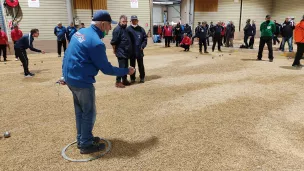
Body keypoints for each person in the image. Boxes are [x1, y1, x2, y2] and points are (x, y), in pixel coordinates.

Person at [60, 10, 135, 154]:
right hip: (82, 82)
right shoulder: (95, 42)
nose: (110, 29)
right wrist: (126, 71)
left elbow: (67, 54)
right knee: (88, 112)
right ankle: (86, 144)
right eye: (108, 25)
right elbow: (106, 69)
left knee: (80, 111)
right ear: (102, 24)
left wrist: (64, 75)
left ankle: (83, 137)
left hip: (71, 79)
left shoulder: (79, 33)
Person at [111, 15, 132, 88]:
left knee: (125, 67)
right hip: (120, 52)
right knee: (121, 67)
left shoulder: (125, 29)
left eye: (126, 21)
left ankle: (124, 80)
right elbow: (114, 42)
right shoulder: (117, 30)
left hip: (126, 52)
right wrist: (114, 50)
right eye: (123, 21)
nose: (125, 23)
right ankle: (118, 82)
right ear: (120, 21)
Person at [127, 15, 147, 83]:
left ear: (137, 21)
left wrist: (142, 46)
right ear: (131, 21)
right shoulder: (128, 29)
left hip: (139, 51)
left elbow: (145, 39)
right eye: (133, 20)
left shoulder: (141, 29)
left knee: (141, 65)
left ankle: (142, 77)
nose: (134, 21)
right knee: (132, 66)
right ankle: (132, 78)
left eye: (135, 20)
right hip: (131, 51)